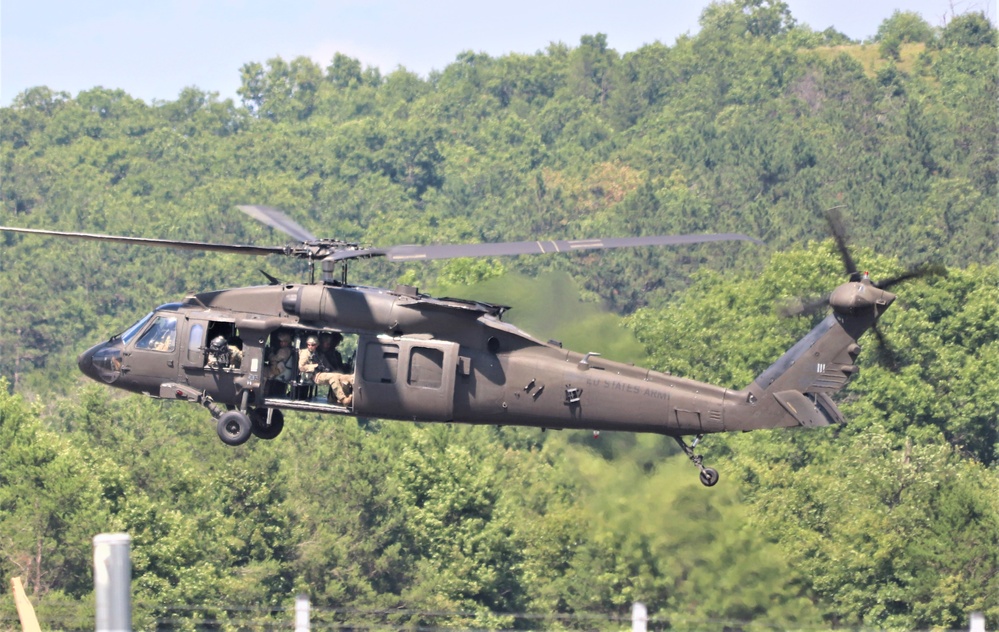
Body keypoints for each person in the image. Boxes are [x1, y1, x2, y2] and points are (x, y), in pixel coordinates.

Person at [299, 333, 354, 406]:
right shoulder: (308, 353)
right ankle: (343, 399)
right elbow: (301, 366)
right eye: (326, 343)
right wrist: (315, 366)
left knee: (344, 377)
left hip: (325, 373)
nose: (328, 345)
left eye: (313, 345)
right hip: (316, 375)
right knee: (333, 377)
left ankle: (348, 396)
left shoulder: (325, 353)